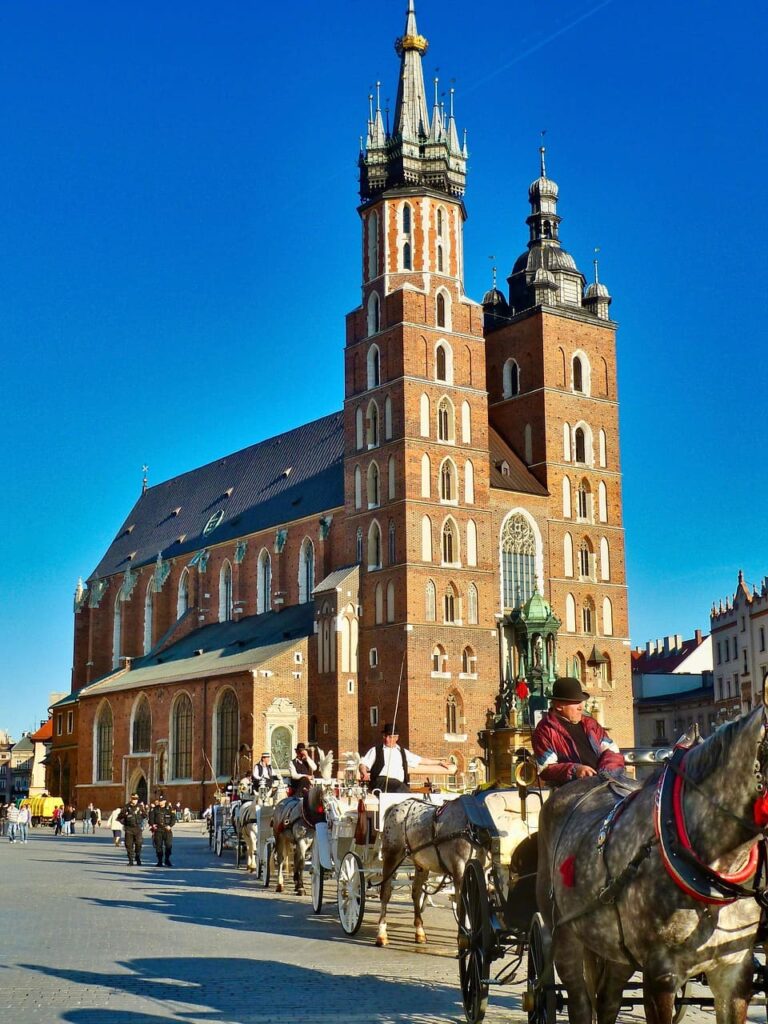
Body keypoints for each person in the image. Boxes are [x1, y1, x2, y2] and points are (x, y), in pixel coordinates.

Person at [533, 676, 625, 786]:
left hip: (605, 782)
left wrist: (605, 774)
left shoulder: (591, 724)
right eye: (575, 702)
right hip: (569, 788)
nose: (581, 707)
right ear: (558, 706)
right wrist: (576, 770)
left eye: (581, 702)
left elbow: (612, 751)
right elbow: (546, 768)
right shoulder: (544, 730)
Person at [359, 723, 451, 794]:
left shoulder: (402, 752)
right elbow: (363, 764)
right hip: (380, 782)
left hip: (398, 786)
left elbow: (421, 760)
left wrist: (439, 762)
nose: (387, 739)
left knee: (401, 786)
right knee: (399, 786)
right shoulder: (375, 750)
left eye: (390, 737)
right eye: (386, 736)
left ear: (396, 738)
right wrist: (364, 773)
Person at [148, 793, 177, 867]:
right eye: (159, 801)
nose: (160, 802)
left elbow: (173, 819)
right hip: (158, 830)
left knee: (168, 845)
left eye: (162, 801)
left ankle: (167, 859)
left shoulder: (169, 809)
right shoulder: (154, 809)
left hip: (167, 830)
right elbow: (151, 819)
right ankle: (160, 861)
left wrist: (170, 826)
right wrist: (152, 824)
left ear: (165, 801)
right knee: (158, 846)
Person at [117, 793, 145, 866]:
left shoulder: (140, 807)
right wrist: (124, 821)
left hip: (138, 828)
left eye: (136, 799)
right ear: (131, 799)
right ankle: (130, 860)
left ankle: (137, 856)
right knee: (129, 845)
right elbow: (119, 818)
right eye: (133, 799)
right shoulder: (126, 807)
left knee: (139, 843)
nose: (135, 800)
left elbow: (145, 816)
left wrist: (142, 817)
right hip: (129, 828)